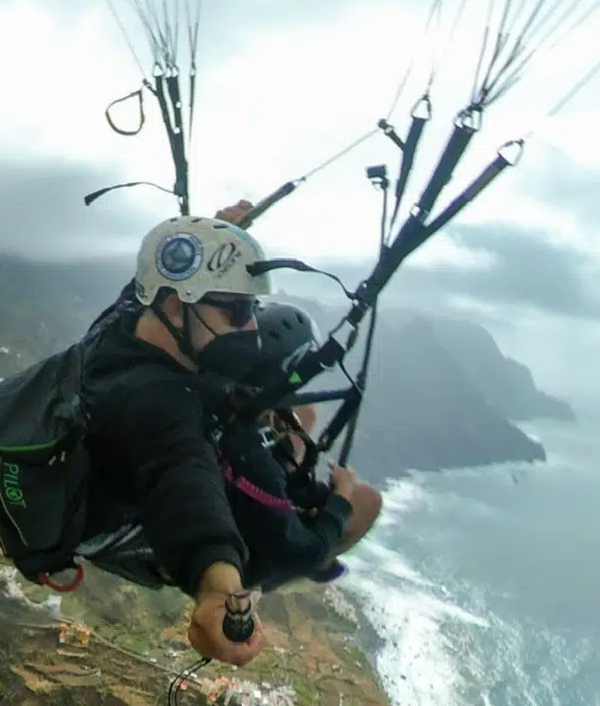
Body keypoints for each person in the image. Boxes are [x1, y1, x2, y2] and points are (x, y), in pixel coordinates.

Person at [75, 204, 383, 667]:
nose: (250, 327)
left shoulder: (121, 328)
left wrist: (215, 239)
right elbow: (187, 483)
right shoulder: (176, 413)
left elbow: (147, 282)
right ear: (179, 306)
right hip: (155, 536)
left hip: (111, 483)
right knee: (366, 501)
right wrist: (222, 588)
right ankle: (265, 579)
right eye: (239, 311)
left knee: (304, 415)